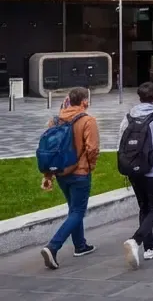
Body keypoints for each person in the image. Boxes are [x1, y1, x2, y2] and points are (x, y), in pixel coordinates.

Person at [39, 85, 100, 269]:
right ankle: (53, 246)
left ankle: (80, 245)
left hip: (61, 173)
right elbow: (93, 148)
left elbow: (50, 149)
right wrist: (90, 166)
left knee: (73, 209)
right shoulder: (88, 120)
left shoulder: (57, 120)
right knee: (77, 212)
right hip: (80, 174)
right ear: (84, 101)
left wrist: (49, 174)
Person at [119, 81, 153, 269]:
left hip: (135, 170)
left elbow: (122, 145)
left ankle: (150, 248)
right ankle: (136, 241)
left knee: (144, 207)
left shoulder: (128, 118)